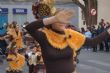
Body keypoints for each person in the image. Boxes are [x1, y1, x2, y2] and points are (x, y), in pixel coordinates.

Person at [25, 0, 110, 73]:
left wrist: (108, 31)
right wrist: (54, 18)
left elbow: (92, 42)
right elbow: (29, 28)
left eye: (65, 19)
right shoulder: (44, 36)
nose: (62, 21)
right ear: (52, 21)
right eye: (59, 19)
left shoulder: (71, 34)